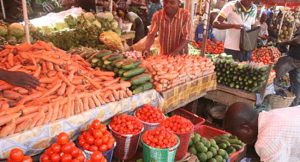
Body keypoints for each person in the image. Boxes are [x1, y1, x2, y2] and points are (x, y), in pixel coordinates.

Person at [223, 102, 300, 162]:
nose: (238, 140)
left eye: (236, 136)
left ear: (245, 128)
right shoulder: (269, 116)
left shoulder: (267, 141)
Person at [274, 28, 300, 106]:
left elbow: (297, 41)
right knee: (296, 83)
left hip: (294, 57)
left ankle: (268, 96)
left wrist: (284, 42)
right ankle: (293, 105)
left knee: (274, 75)